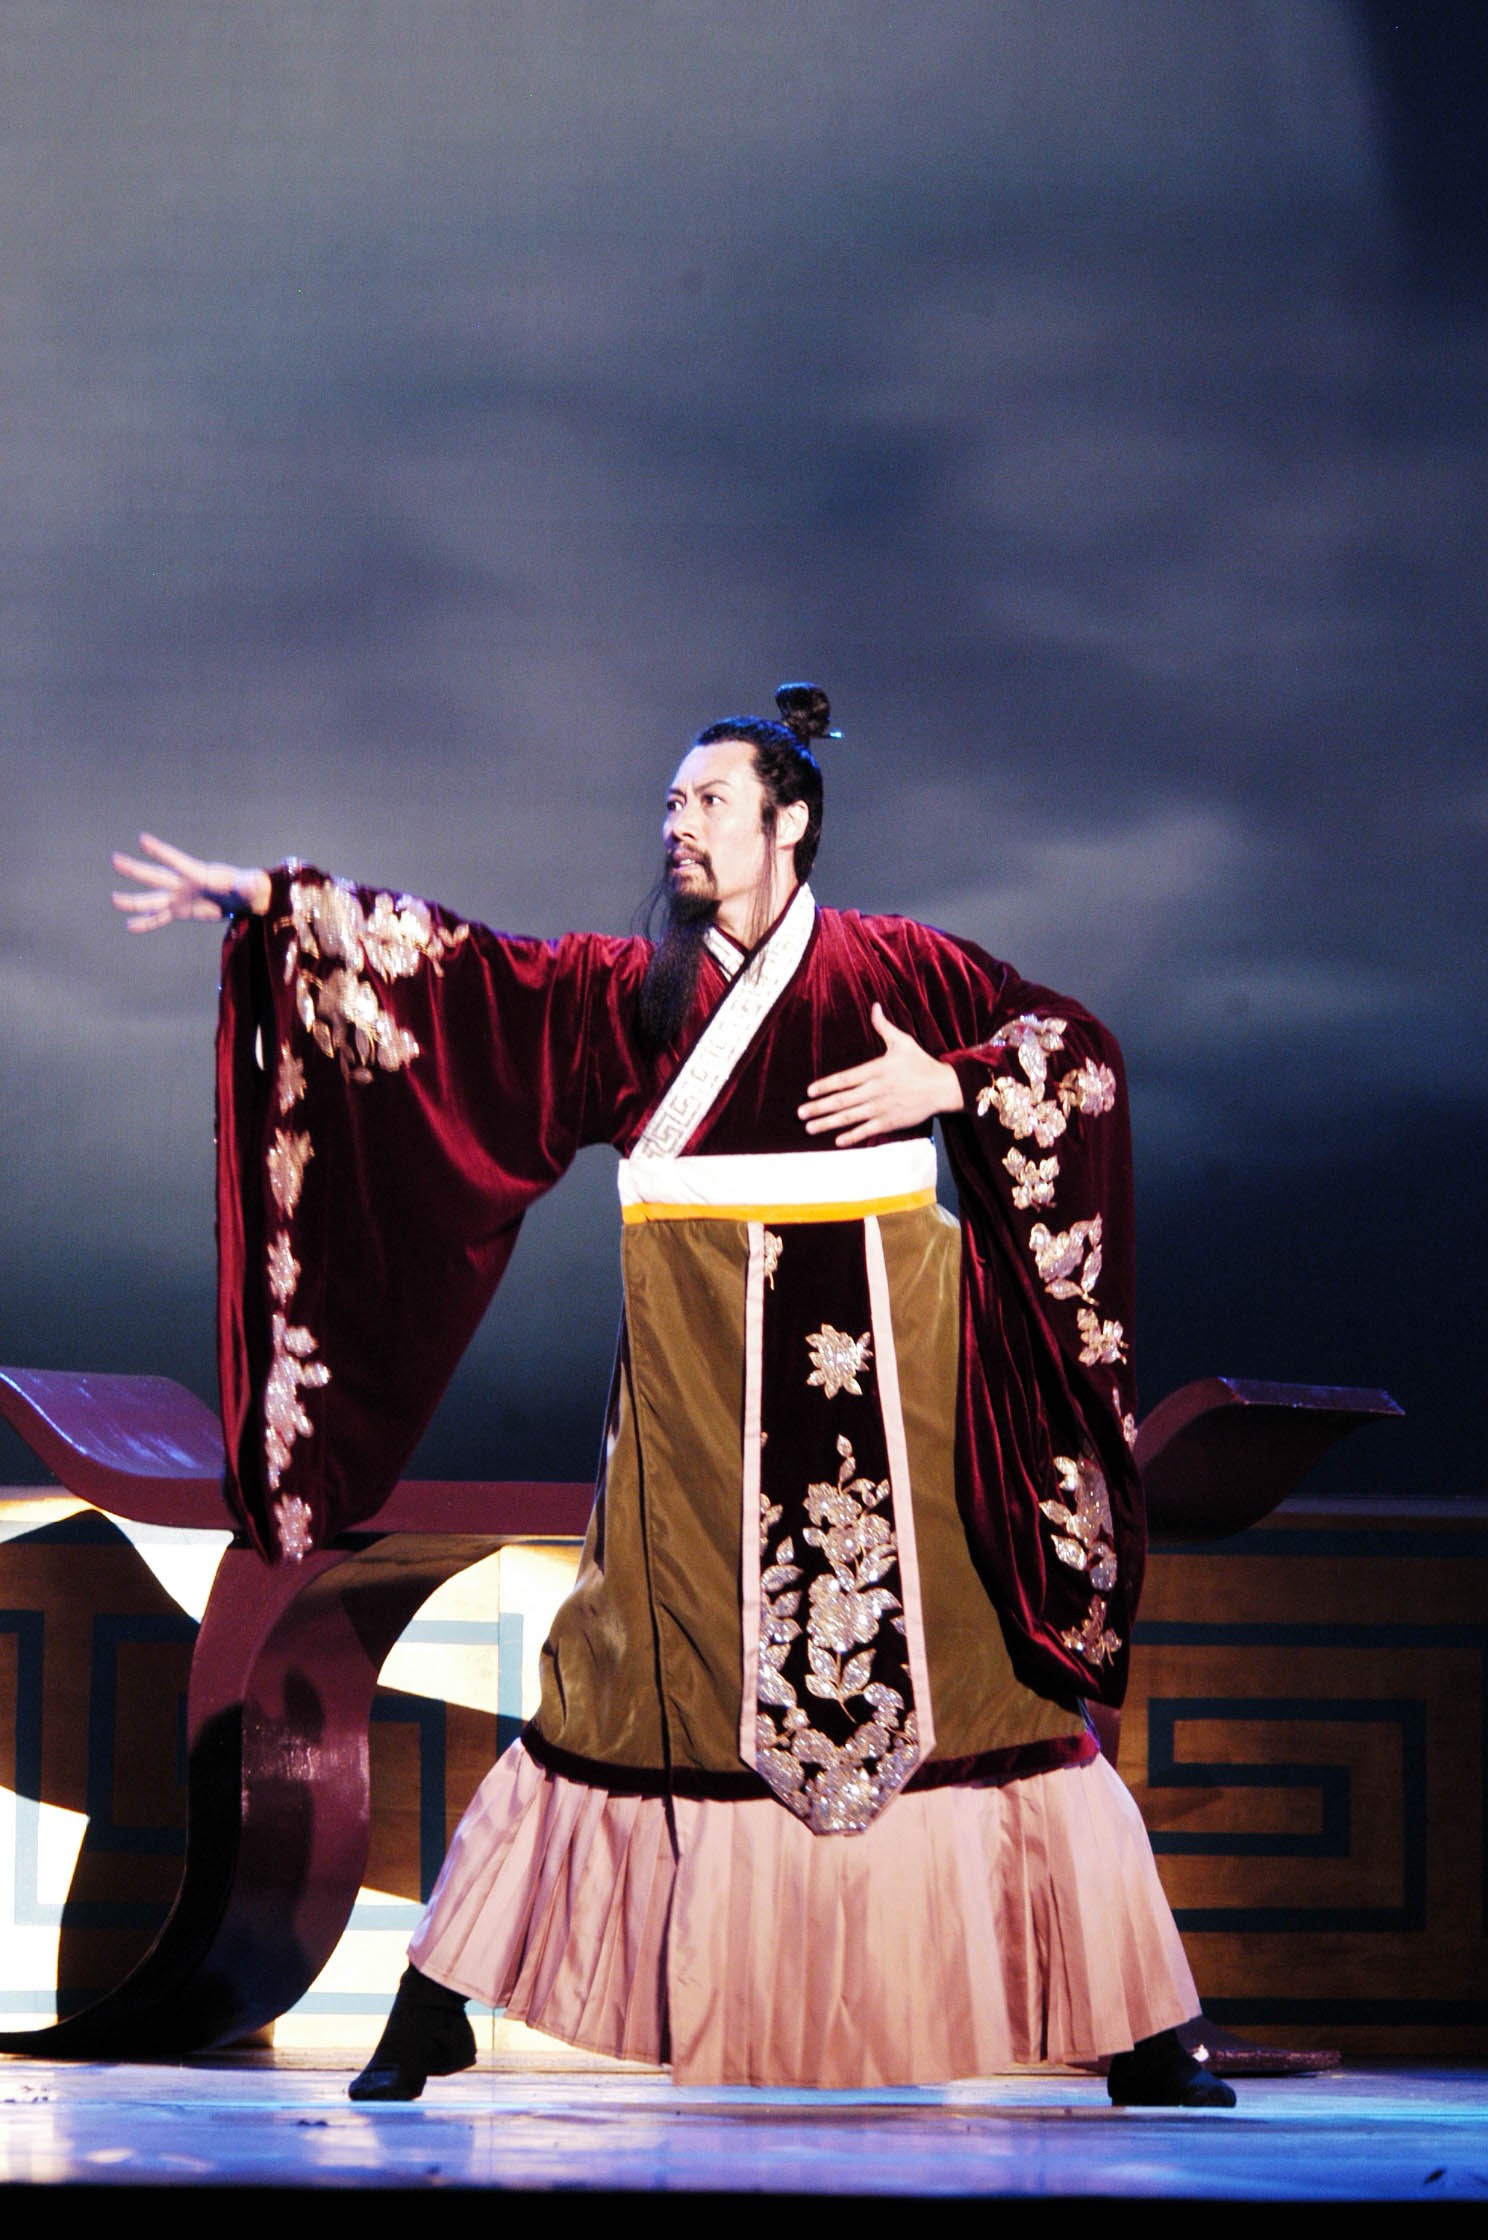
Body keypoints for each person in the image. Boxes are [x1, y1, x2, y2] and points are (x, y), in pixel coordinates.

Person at [112, 683, 1233, 2109]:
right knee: (612, 1677)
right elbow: (461, 981)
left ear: (791, 821)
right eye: (671, 804)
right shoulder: (626, 995)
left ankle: (1141, 2034)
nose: (678, 826)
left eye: (708, 801)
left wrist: (951, 1088)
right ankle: (436, 2005)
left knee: (987, 1684)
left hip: (907, 1405)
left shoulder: (903, 969)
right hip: (698, 1407)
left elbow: (1072, 1055)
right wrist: (278, 908)